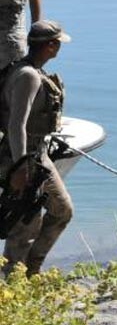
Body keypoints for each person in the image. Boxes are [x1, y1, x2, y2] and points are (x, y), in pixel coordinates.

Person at [0, 20, 71, 276]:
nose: (59, 48)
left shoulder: (33, 70)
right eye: (58, 44)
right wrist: (20, 167)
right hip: (23, 157)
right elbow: (15, 124)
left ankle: (32, 268)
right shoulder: (27, 76)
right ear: (50, 46)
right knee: (25, 223)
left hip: (39, 155)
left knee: (62, 210)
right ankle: (12, 282)